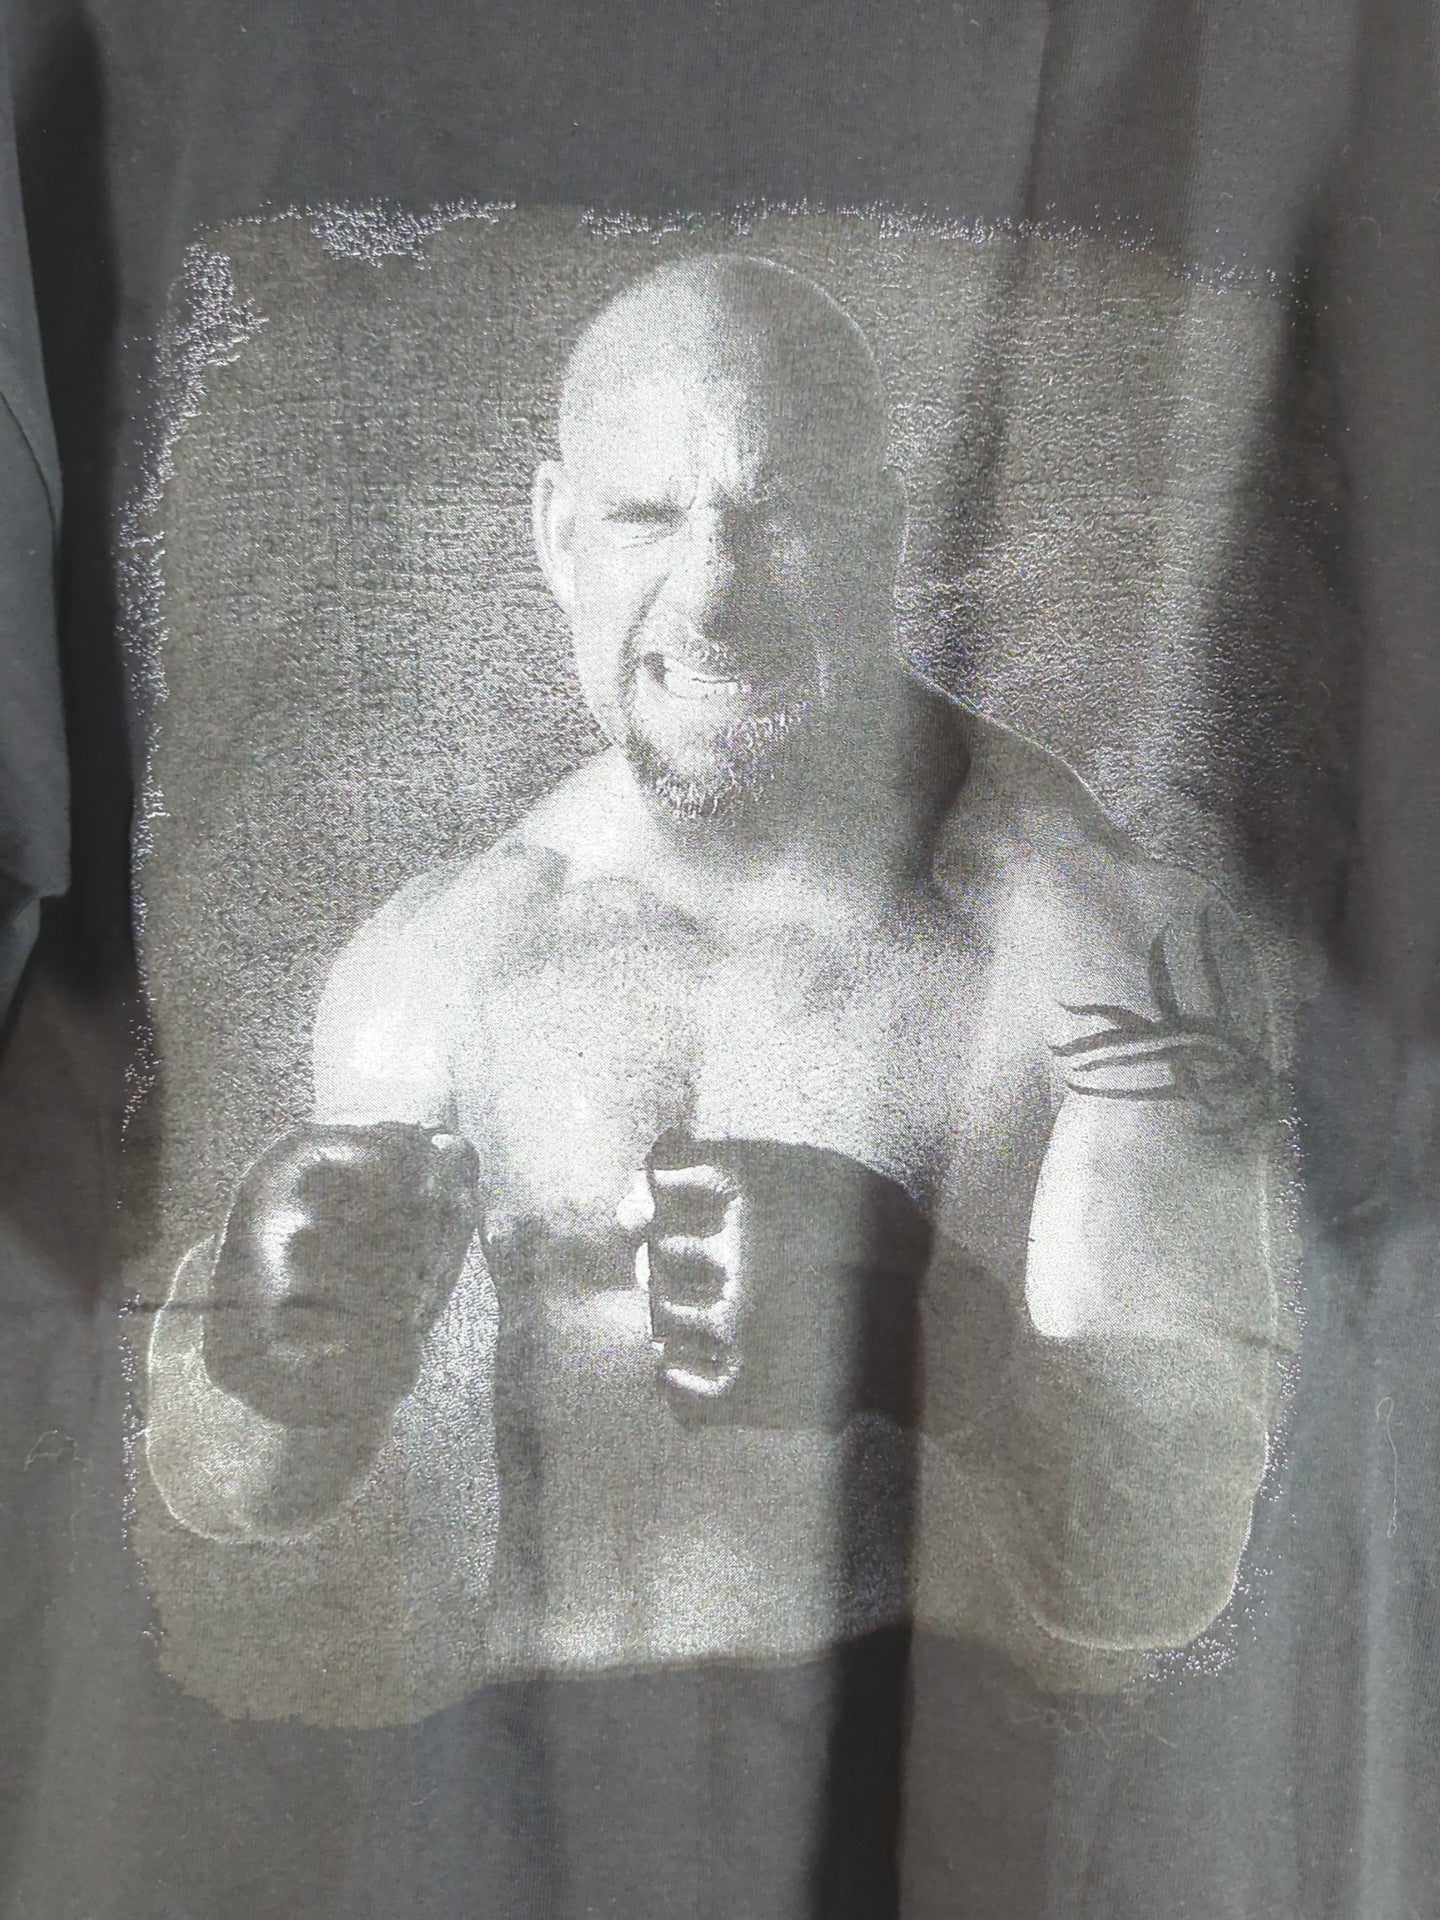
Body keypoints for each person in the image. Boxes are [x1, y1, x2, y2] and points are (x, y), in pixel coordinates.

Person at [143, 253, 1282, 1721]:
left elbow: (1171, 1561)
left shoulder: (1102, 956)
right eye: (646, 519)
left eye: (776, 511)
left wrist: (949, 1348)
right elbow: (250, 1496)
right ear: (558, 537)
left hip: (947, 1821)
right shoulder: (442, 966)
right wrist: (261, 1353)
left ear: (882, 532)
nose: (713, 597)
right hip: (565, 1809)